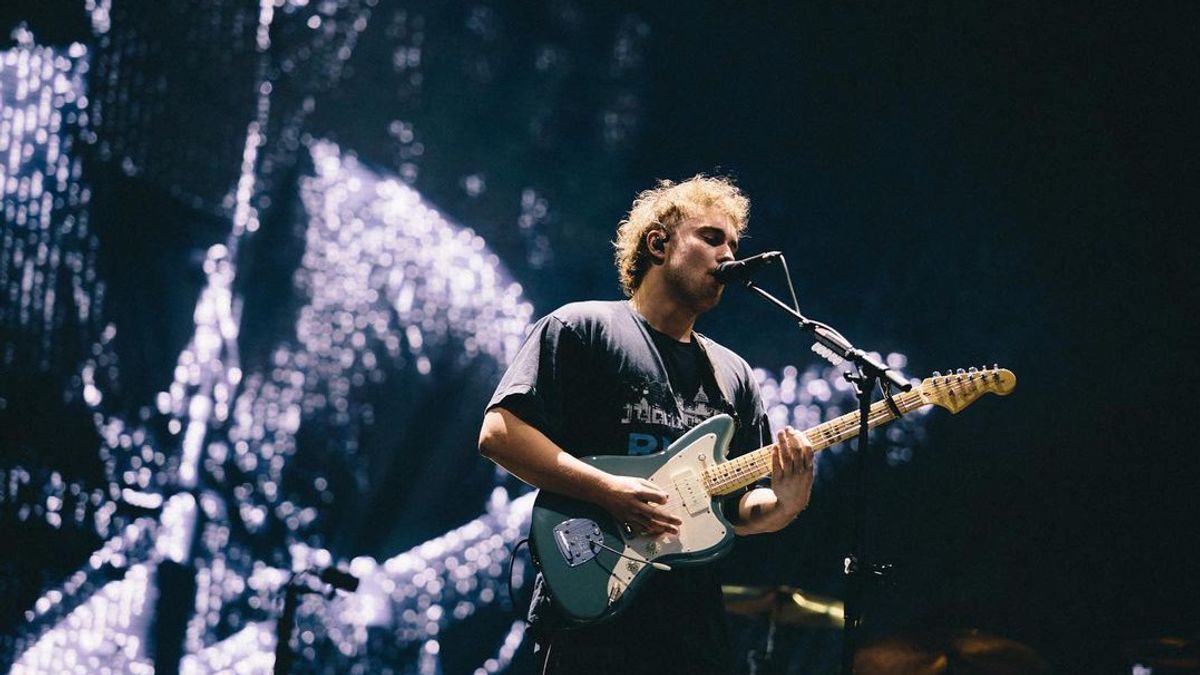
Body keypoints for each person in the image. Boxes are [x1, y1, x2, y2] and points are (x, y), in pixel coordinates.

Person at [478, 174, 816, 674]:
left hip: (691, 628)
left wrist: (787, 503)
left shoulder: (734, 373)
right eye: (711, 237)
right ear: (658, 244)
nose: (728, 255)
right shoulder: (583, 327)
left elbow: (739, 508)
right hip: (590, 599)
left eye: (734, 244)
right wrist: (606, 489)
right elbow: (499, 433)